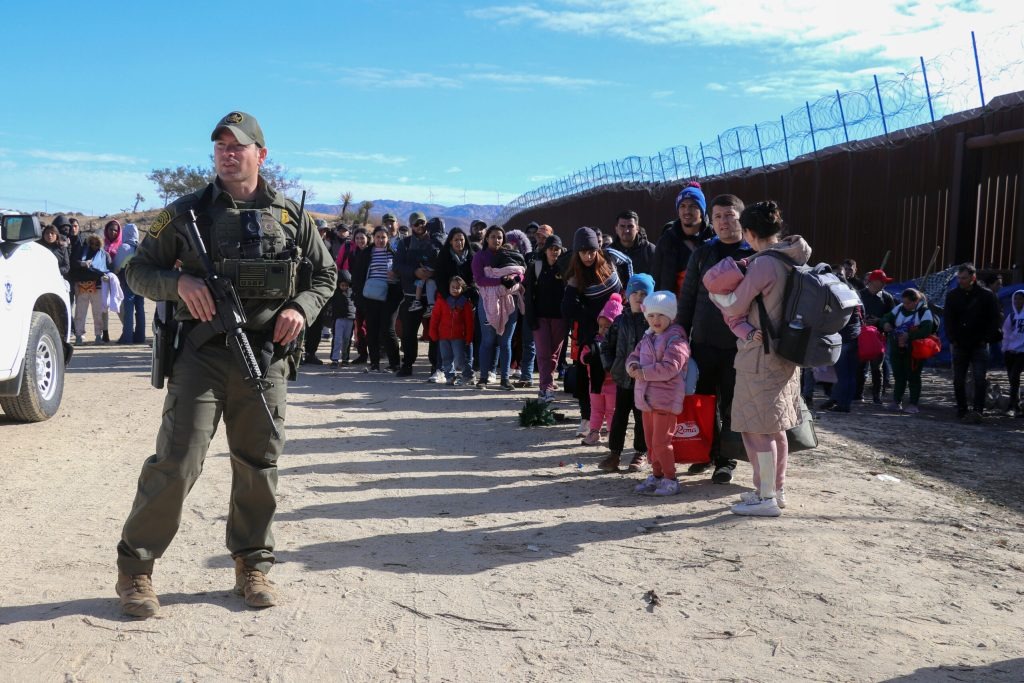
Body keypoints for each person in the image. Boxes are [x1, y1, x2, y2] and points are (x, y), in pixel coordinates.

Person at [115, 111, 336, 618]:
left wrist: (299, 310)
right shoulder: (187, 212)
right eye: (219, 146)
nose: (227, 153)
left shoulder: (290, 217)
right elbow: (136, 271)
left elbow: (325, 276)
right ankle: (136, 572)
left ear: (261, 154)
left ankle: (252, 564)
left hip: (265, 357)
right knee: (177, 460)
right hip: (202, 355)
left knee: (258, 463)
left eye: (237, 146)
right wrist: (180, 285)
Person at [707, 201, 807, 517]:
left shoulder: (763, 264)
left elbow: (736, 305)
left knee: (755, 429)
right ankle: (776, 491)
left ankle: (765, 496)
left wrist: (718, 298)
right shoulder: (794, 259)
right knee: (776, 427)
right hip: (787, 353)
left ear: (749, 233)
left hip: (760, 355)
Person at [676, 193, 756, 483]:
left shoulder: (753, 254)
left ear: (740, 218)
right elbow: (687, 299)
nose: (723, 222)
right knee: (702, 400)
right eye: (718, 216)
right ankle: (705, 452)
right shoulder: (703, 253)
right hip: (704, 341)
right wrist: (680, 334)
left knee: (732, 402)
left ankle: (727, 459)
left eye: (729, 215)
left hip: (739, 344)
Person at [561, 227, 632, 436]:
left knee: (616, 375)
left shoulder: (610, 262)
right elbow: (567, 310)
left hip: (617, 329)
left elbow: (628, 265)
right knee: (587, 375)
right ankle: (587, 419)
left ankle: (616, 419)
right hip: (591, 333)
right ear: (577, 253)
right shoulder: (575, 276)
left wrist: (627, 294)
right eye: (583, 252)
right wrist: (588, 314)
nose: (588, 256)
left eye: (592, 251)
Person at [627, 291, 691, 496]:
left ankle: (670, 478)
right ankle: (656, 475)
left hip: (665, 399)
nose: (656, 320)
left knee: (662, 442)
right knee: (650, 441)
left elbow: (671, 367)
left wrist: (643, 373)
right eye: (652, 315)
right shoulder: (648, 337)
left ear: (670, 316)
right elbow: (634, 355)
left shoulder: (677, 340)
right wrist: (633, 365)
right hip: (646, 399)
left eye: (661, 315)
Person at [599, 273, 652, 472]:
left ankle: (641, 452)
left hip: (645, 380)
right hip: (622, 379)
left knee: (641, 417)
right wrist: (611, 366)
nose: (639, 297)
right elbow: (606, 346)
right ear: (627, 295)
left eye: (644, 293)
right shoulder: (620, 321)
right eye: (635, 292)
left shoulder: (652, 321)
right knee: (619, 416)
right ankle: (614, 453)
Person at [944, 263, 1003, 423]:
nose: (960, 281)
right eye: (959, 278)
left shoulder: (986, 295)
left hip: (979, 344)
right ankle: (962, 409)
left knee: (979, 378)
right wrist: (953, 338)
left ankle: (978, 410)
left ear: (973, 277)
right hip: (960, 344)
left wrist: (986, 338)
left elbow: (994, 319)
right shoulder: (953, 296)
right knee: (958, 379)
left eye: (964, 278)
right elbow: (948, 320)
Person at [473, 226, 526, 389]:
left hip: (510, 301)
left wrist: (515, 279)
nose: (496, 240)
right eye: (493, 237)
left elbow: (522, 271)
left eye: (499, 237)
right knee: (488, 341)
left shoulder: (510, 254)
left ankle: (504, 379)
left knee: (506, 342)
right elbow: (480, 280)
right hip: (488, 302)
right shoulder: (480, 257)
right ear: (486, 238)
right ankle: (483, 377)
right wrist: (500, 281)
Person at [394, 211, 442, 379]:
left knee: (435, 332)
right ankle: (407, 364)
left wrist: (431, 274)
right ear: (411, 226)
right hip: (410, 295)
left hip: (432, 297)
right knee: (408, 333)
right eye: (416, 224)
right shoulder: (405, 243)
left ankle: (436, 366)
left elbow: (443, 263)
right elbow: (397, 266)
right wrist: (415, 272)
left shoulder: (437, 242)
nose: (420, 226)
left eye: (422, 223)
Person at [351, 226, 402, 373]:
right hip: (370, 296)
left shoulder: (394, 254)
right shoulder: (367, 253)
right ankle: (374, 363)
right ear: (373, 237)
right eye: (378, 237)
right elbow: (357, 275)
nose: (380, 240)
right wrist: (359, 296)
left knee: (388, 329)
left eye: (383, 237)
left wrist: (396, 277)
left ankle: (394, 363)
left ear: (388, 238)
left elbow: (401, 275)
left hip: (390, 296)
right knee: (372, 329)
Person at [524, 234, 568, 402]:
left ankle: (548, 381)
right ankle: (545, 388)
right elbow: (529, 295)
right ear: (545, 250)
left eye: (557, 249)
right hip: (540, 317)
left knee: (554, 354)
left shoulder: (565, 268)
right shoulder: (536, 267)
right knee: (543, 353)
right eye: (551, 248)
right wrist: (530, 317)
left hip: (560, 318)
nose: (554, 252)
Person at [432, 226, 478, 383]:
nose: (459, 242)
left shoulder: (471, 257)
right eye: (456, 239)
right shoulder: (444, 257)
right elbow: (439, 279)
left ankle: (468, 372)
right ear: (450, 241)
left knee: (465, 337)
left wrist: (465, 296)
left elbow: (473, 279)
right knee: (445, 340)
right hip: (446, 300)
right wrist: (448, 297)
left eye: (462, 239)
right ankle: (444, 372)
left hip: (465, 300)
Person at [879, 288, 936, 414]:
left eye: (908, 303)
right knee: (899, 375)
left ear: (916, 301)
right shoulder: (899, 308)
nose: (905, 305)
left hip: (913, 351)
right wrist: (885, 324)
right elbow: (886, 318)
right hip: (896, 348)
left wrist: (909, 336)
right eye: (904, 302)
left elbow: (926, 330)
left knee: (913, 376)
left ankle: (913, 403)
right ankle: (896, 401)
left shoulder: (924, 312)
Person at [653, 182, 713, 292]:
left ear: (702, 211)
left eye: (693, 206)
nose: (687, 211)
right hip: (673, 305)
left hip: (708, 304)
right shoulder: (667, 240)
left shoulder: (713, 236)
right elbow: (656, 277)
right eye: (683, 206)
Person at [581, 293, 622, 445]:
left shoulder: (618, 343)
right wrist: (586, 358)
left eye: (608, 326)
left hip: (613, 382)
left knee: (612, 410)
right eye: (601, 326)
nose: (603, 330)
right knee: (596, 409)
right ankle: (594, 432)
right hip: (596, 382)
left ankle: (612, 433)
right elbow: (584, 354)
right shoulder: (593, 341)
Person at [856, 269, 896, 403]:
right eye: (882, 281)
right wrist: (863, 321)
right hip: (861, 335)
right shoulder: (860, 295)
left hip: (878, 337)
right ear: (873, 281)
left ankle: (876, 396)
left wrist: (879, 320)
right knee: (860, 366)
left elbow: (892, 317)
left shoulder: (887, 297)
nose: (884, 284)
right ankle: (858, 394)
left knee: (876, 367)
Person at [504, 229, 536, 387]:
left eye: (517, 245)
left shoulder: (530, 259)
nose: (514, 248)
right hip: (510, 302)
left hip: (527, 303)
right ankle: (509, 368)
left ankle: (524, 371)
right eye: (510, 245)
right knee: (510, 336)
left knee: (526, 339)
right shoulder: (503, 260)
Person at [429, 276, 475, 385]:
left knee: (460, 358)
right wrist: (433, 332)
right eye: (453, 287)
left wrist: (469, 338)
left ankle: (468, 375)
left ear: (462, 289)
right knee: (446, 358)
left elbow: (469, 322)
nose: (455, 289)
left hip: (458, 336)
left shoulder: (465, 304)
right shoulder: (441, 301)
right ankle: (450, 377)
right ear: (448, 288)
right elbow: (435, 318)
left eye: (458, 288)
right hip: (443, 336)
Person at [72, 233, 111, 344]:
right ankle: (79, 336)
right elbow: (74, 265)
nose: (94, 245)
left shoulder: (104, 255)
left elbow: (109, 269)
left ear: (100, 243)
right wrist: (82, 264)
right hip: (82, 286)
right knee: (80, 313)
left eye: (96, 243)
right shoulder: (82, 252)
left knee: (97, 313)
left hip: (98, 286)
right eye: (91, 243)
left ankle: (98, 335)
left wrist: (107, 277)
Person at [114, 223, 146, 344]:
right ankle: (140, 337)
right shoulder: (142, 247)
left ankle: (127, 338)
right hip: (141, 282)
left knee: (128, 310)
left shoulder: (124, 247)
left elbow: (117, 267)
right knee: (140, 309)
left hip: (128, 281)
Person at [349, 228, 371, 365]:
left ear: (368, 238)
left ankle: (376, 354)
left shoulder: (372, 253)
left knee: (372, 326)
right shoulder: (353, 254)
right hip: (358, 294)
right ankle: (362, 354)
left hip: (372, 294)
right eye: (357, 238)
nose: (360, 241)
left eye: (362, 238)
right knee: (359, 326)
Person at [610, 210, 656, 276]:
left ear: (637, 229)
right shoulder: (609, 252)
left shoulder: (650, 250)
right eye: (622, 226)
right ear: (616, 229)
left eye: (630, 226)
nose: (626, 230)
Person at [1001, 290, 1024, 418]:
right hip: (1010, 352)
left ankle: (1012, 405)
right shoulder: (1011, 316)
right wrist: (1005, 348)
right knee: (1012, 379)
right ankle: (1016, 404)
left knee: (1015, 376)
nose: (1018, 301)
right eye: (1016, 299)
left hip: (1022, 353)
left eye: (1021, 299)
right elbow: (1006, 334)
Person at [329, 270, 356, 366]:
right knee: (337, 339)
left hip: (350, 319)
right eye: (342, 285)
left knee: (347, 340)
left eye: (346, 285)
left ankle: (345, 358)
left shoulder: (353, 293)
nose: (344, 287)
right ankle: (335, 359)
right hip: (339, 319)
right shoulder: (335, 293)